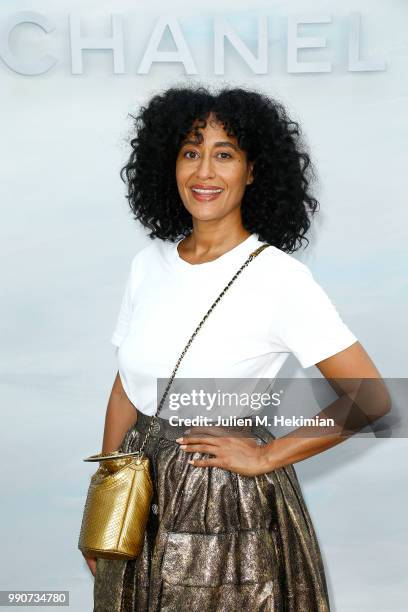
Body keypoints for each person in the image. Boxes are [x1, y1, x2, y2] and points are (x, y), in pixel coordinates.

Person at [82, 85, 389, 611]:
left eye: (225, 154)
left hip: (222, 503)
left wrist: (268, 453)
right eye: (191, 152)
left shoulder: (279, 279)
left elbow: (373, 400)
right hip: (139, 487)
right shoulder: (148, 266)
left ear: (252, 170)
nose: (204, 172)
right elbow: (125, 390)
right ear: (169, 164)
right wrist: (105, 505)